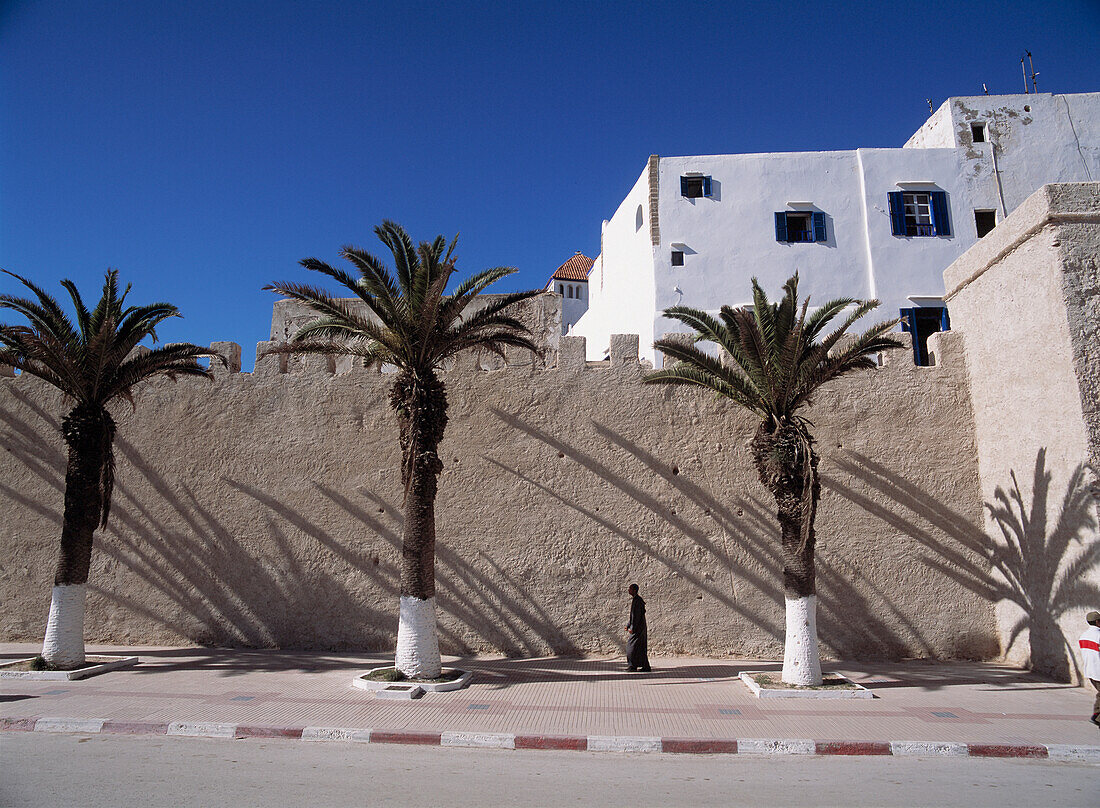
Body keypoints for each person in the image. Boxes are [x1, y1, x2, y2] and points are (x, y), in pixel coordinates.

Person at [1080, 610, 1100, 728]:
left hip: (1090, 670)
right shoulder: (1098, 636)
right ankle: (1097, 717)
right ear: (1097, 622)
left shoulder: (1084, 635)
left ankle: (1096, 714)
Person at [625, 583, 650, 672]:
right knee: (639, 647)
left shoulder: (638, 601)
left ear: (634, 590)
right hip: (639, 628)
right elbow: (633, 616)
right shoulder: (636, 600)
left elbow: (637, 616)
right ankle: (644, 666)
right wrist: (628, 625)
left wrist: (632, 628)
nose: (628, 590)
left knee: (630, 647)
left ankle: (632, 665)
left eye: (630, 589)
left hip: (638, 629)